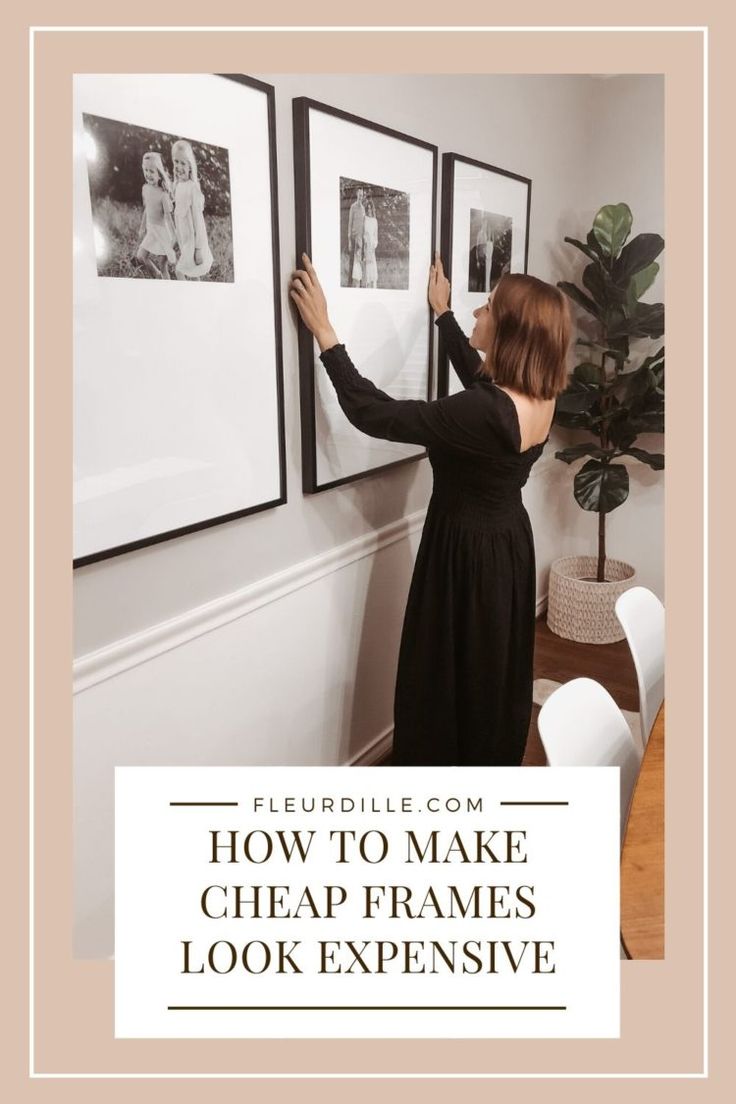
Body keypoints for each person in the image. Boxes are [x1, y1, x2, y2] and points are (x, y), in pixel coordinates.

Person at [289, 252, 570, 766]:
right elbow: (481, 384)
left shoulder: (485, 410)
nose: (478, 313)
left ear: (508, 330)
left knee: (445, 671)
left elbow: (375, 414)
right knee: (488, 668)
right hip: (507, 545)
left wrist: (325, 332)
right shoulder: (540, 394)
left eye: (487, 308)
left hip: (464, 552)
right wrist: (442, 317)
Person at [171, 139, 213, 280]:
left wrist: (199, 248)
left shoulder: (192, 188)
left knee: (180, 271)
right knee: (193, 274)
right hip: (184, 240)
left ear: (190, 165)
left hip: (193, 241)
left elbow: (198, 220)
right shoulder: (177, 186)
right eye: (176, 162)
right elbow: (178, 216)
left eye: (183, 163)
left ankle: (185, 298)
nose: (179, 166)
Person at [136, 152, 177, 279]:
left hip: (163, 232)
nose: (148, 174)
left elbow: (169, 219)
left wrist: (174, 236)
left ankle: (167, 285)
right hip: (151, 230)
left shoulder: (163, 195)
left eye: (152, 171)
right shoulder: (145, 189)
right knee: (141, 256)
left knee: (162, 264)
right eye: (146, 170)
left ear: (159, 173)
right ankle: (157, 276)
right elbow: (147, 209)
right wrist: (142, 227)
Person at [347, 187, 365, 287]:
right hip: (353, 238)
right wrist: (349, 240)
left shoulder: (363, 209)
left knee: (360, 262)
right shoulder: (352, 207)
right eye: (359, 195)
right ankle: (349, 284)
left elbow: (364, 225)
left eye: (362, 195)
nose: (360, 197)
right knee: (352, 263)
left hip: (361, 239)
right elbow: (349, 224)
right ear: (356, 195)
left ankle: (360, 283)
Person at [362, 199, 379, 288]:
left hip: (372, 245)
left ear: (372, 209)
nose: (369, 210)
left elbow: (376, 236)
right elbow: (364, 233)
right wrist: (366, 242)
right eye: (367, 208)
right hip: (366, 244)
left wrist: (374, 245)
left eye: (370, 208)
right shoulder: (365, 219)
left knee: (372, 265)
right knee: (367, 265)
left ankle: (373, 284)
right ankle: (367, 284)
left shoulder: (375, 221)